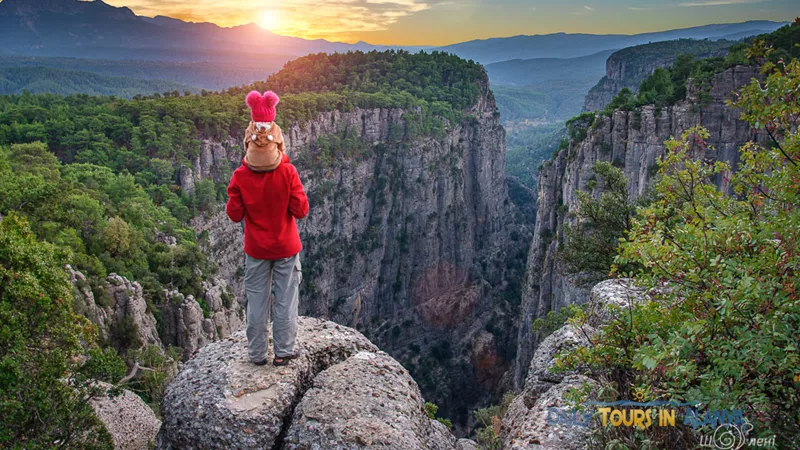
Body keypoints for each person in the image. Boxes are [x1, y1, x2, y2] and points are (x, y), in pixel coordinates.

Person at [226, 90, 309, 366]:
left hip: (257, 249)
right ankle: (284, 352)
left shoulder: (240, 176)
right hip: (285, 248)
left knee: (257, 302)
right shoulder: (288, 172)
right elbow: (301, 210)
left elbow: (234, 215)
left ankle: (257, 355)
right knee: (285, 300)